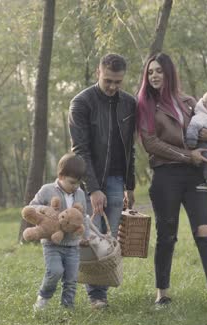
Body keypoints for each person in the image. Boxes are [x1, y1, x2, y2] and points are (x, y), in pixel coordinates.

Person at [136, 53, 207, 308]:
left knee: (205, 231)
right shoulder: (145, 104)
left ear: (169, 73)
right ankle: (162, 293)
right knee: (167, 235)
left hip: (196, 174)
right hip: (166, 175)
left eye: (159, 71)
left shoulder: (190, 102)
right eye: (150, 72)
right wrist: (186, 155)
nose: (154, 76)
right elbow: (150, 142)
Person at [68, 53, 137, 310]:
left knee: (109, 238)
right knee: (92, 235)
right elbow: (80, 150)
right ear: (99, 72)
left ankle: (101, 291)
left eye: (118, 82)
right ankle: (96, 296)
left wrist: (131, 185)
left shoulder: (129, 103)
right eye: (108, 80)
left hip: (118, 179)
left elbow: (130, 148)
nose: (112, 87)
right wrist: (93, 188)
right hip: (90, 179)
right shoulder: (81, 103)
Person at [29, 153, 91, 311]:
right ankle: (43, 297)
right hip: (52, 243)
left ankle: (67, 307)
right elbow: (32, 206)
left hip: (72, 245)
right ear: (61, 176)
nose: (75, 186)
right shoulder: (47, 190)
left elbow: (83, 217)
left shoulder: (80, 194)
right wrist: (45, 210)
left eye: (79, 183)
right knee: (55, 271)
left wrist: (86, 236)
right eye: (72, 182)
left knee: (71, 278)